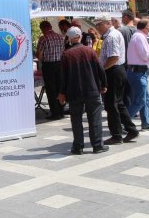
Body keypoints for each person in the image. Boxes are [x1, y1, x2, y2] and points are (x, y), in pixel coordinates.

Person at [58, 27, 109, 155]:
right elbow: (100, 69)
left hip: (74, 92)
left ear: (69, 38)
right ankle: (97, 145)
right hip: (91, 90)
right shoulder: (89, 51)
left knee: (76, 119)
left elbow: (62, 77)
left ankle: (78, 146)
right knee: (95, 118)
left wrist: (62, 92)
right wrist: (104, 84)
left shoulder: (66, 54)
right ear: (80, 36)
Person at [93, 14, 139, 145]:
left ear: (107, 23)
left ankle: (117, 135)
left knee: (111, 105)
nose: (97, 27)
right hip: (116, 70)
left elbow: (113, 57)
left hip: (113, 71)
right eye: (96, 25)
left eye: (99, 24)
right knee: (118, 103)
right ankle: (131, 129)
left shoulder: (112, 36)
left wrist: (102, 70)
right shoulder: (111, 35)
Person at [36, 20, 66, 120]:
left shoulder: (43, 38)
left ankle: (55, 113)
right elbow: (63, 51)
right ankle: (61, 111)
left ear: (43, 28)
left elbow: (40, 55)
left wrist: (40, 60)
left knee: (51, 90)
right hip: (60, 64)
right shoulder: (59, 37)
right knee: (59, 88)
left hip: (49, 65)